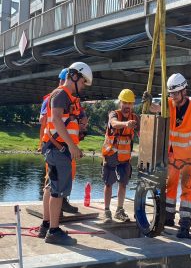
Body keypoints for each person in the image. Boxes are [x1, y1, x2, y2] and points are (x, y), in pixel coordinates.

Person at [38, 62, 93, 245]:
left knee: (51, 188)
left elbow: (63, 121)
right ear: (75, 77)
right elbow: (55, 119)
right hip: (59, 149)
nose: (84, 86)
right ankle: (53, 231)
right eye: (83, 81)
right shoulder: (61, 94)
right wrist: (71, 146)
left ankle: (46, 225)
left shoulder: (67, 97)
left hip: (57, 149)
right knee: (58, 192)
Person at [142, 73, 191, 238]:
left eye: (175, 93)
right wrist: (149, 101)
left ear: (184, 91)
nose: (172, 96)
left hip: (189, 158)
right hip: (173, 157)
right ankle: (168, 219)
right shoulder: (168, 104)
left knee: (188, 192)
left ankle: (185, 225)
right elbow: (156, 108)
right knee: (170, 188)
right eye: (170, 93)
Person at [38, 68, 82, 214]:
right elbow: (47, 120)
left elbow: (78, 116)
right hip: (56, 145)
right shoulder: (55, 96)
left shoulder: (71, 99)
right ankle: (51, 218)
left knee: (62, 182)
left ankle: (60, 206)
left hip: (67, 147)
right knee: (51, 184)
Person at [101, 89, 140, 223]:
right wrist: (125, 124)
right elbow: (113, 123)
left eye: (130, 103)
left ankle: (119, 210)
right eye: (125, 102)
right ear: (120, 102)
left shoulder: (135, 118)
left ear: (133, 104)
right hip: (111, 153)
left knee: (123, 183)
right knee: (108, 183)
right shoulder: (114, 114)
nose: (127, 106)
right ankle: (107, 211)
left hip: (125, 156)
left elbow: (143, 129)